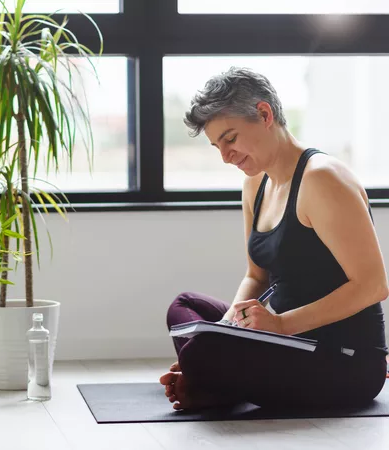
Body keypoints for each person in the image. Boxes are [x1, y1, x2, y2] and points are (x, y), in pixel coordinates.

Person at [160, 67, 388, 411]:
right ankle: (209, 378)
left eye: (230, 138)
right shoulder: (256, 183)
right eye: (216, 145)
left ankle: (207, 380)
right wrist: (226, 329)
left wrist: (281, 325)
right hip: (286, 342)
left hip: (345, 360)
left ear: (264, 114)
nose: (225, 156)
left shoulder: (323, 180)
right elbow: (256, 275)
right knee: (185, 307)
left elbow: (374, 285)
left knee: (204, 351)